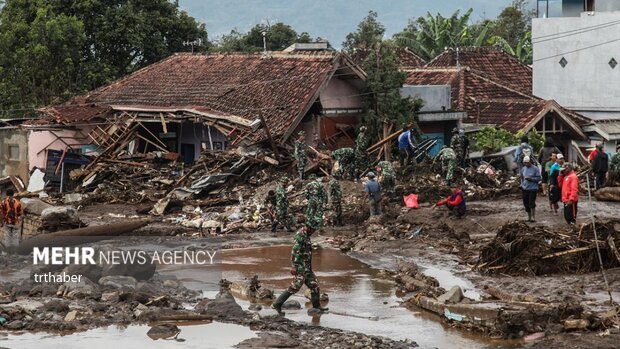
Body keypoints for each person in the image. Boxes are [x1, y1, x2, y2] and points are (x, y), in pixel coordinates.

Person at [271, 224, 328, 315]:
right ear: (308, 227)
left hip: (307, 267)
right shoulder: (300, 235)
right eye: (313, 229)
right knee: (295, 286)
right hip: (300, 267)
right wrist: (294, 266)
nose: (314, 231)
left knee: (314, 285)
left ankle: (317, 307)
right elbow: (295, 251)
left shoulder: (306, 235)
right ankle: (277, 304)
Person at [0, 189, 23, 253]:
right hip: (15, 222)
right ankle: (15, 252)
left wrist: (1, 222)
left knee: (7, 237)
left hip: (7, 222)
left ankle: (8, 252)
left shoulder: (3, 202)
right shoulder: (17, 202)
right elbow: (20, 212)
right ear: (13, 195)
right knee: (15, 237)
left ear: (6, 194)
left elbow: (1, 213)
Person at [520, 156, 542, 222]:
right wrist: (521, 184)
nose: (526, 164)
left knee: (531, 202)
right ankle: (528, 217)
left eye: (527, 163)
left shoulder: (535, 169)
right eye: (525, 163)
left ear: (530, 162)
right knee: (525, 203)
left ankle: (533, 217)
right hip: (525, 188)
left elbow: (539, 178)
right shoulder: (523, 169)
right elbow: (521, 177)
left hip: (533, 188)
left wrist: (531, 179)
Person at [559, 163, 579, 227]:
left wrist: (571, 199)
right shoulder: (566, 176)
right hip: (566, 199)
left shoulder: (573, 177)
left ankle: (573, 228)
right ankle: (570, 227)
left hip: (570, 200)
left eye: (564, 170)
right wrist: (560, 176)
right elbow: (560, 185)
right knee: (566, 216)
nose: (563, 171)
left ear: (568, 169)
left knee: (571, 217)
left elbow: (574, 189)